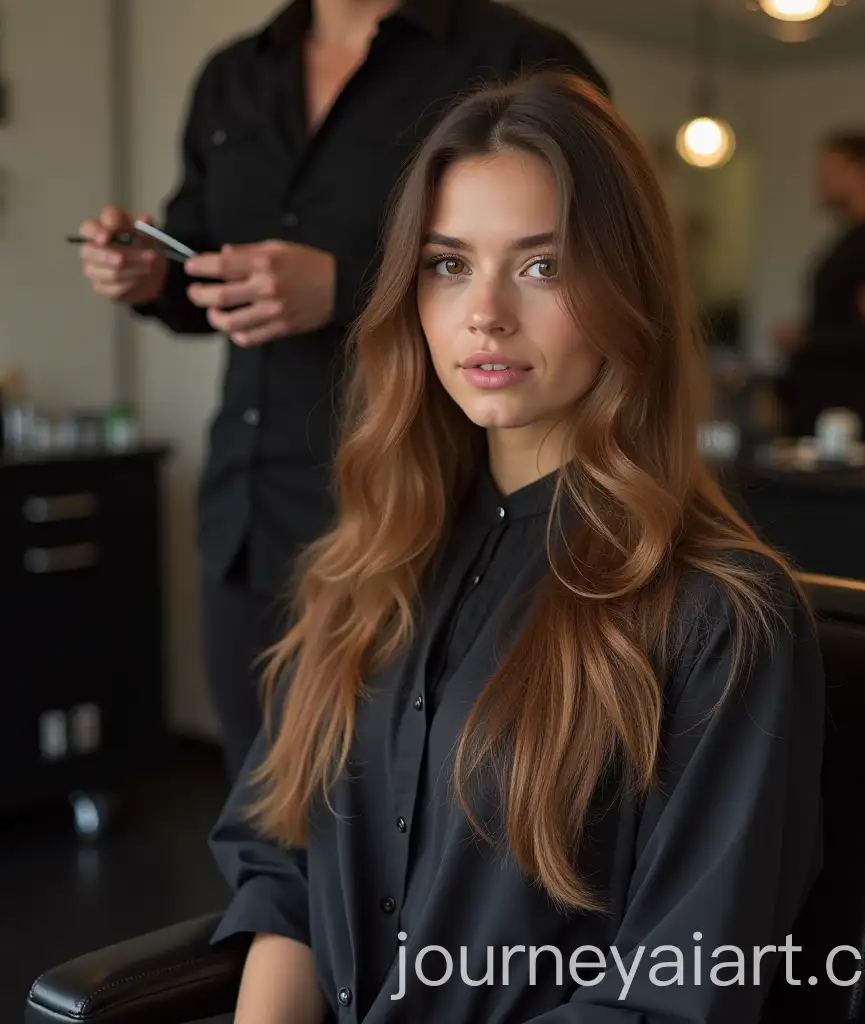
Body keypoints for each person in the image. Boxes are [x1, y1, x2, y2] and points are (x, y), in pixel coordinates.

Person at [207, 72, 826, 1024]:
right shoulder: (364, 569)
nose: (485, 312)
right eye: (448, 263)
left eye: (542, 266)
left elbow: (675, 997)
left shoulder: (717, 616)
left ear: (627, 291)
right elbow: (284, 867)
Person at [74, 0, 607, 781]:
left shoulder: (517, 54)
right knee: (260, 816)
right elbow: (197, 254)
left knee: (399, 807)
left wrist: (347, 284)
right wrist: (151, 274)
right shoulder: (233, 76)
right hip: (247, 514)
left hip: (420, 512)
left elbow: (591, 258)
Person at [774, 129, 865, 442]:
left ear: (861, 173)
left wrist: (807, 339)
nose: (820, 182)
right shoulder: (847, 242)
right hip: (822, 406)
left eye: (829, 172)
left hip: (853, 418)